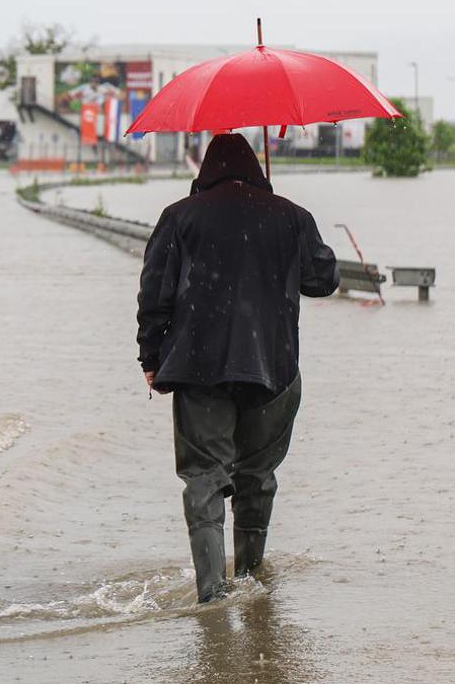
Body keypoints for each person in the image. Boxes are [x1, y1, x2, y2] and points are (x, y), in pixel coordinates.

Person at [136, 133, 340, 602]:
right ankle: (251, 578)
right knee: (257, 478)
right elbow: (324, 280)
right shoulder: (290, 216)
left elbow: (154, 296)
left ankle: (212, 595)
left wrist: (151, 358)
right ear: (255, 167)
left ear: (205, 170)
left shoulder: (178, 218)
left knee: (204, 480)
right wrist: (290, 226)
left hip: (199, 369)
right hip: (273, 368)